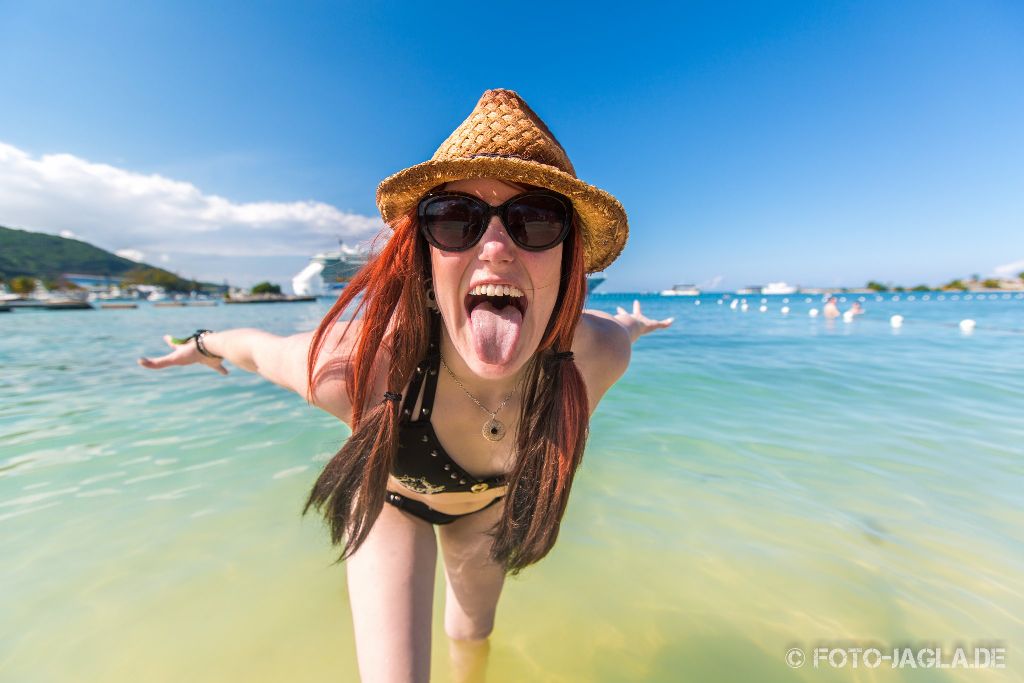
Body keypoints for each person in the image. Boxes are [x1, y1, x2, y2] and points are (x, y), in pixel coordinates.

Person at [139, 89, 672, 683]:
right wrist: (202, 343)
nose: (495, 247)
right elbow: (258, 350)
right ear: (422, 252)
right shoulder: (358, 368)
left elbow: (619, 325)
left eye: (535, 221)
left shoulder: (596, 353)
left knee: (473, 640)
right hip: (392, 504)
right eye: (454, 220)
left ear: (570, 258)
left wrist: (639, 323)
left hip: (486, 509)